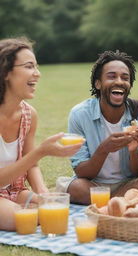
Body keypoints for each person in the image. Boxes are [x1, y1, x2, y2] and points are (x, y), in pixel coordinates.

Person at [56, 50, 138, 205]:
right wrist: (104, 149)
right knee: (77, 187)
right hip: (92, 185)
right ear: (98, 83)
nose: (119, 81)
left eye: (125, 78)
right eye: (111, 76)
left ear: (130, 85)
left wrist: (133, 150)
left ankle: (106, 204)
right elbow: (81, 171)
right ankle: (120, 203)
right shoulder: (80, 114)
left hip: (128, 184)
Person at [0, 37, 83, 231]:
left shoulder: (29, 115)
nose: (37, 74)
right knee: (24, 220)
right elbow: (33, 158)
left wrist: (43, 193)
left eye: (36, 67)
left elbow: (32, 166)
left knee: (55, 209)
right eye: (29, 67)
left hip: (15, 191)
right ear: (5, 72)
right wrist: (41, 151)